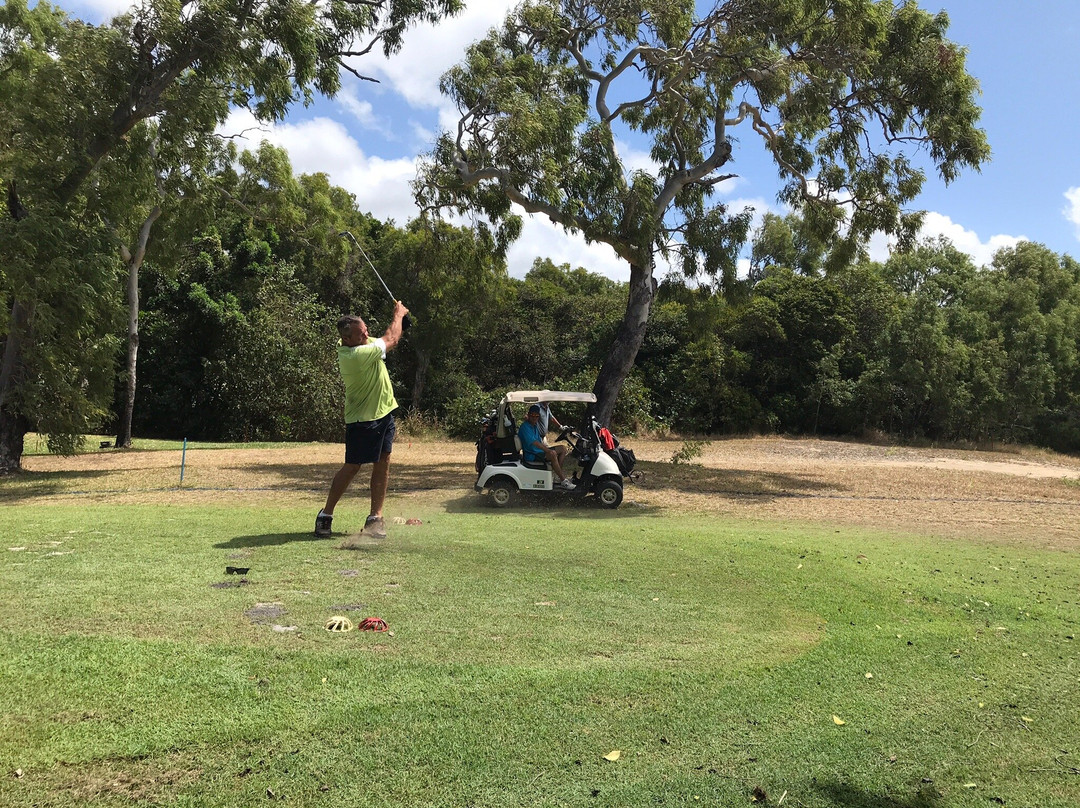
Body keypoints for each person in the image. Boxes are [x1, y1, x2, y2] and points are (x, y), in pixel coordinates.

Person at [315, 301, 409, 539]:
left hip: (384, 412)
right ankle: (325, 515)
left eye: (366, 329)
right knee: (352, 467)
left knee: (383, 461)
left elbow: (388, 336)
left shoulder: (360, 341)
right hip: (362, 419)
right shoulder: (356, 354)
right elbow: (392, 339)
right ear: (347, 340)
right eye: (361, 334)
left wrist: (401, 322)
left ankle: (375, 518)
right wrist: (399, 314)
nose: (367, 335)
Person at [518, 403, 575, 489]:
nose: (534, 418)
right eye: (532, 415)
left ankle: (558, 476)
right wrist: (548, 451)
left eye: (536, 416)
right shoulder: (525, 427)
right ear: (528, 415)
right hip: (532, 455)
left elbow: (540, 441)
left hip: (538, 452)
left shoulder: (534, 426)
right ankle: (563, 480)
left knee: (563, 448)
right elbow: (535, 443)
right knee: (552, 454)